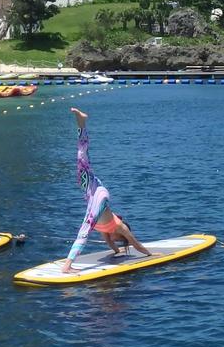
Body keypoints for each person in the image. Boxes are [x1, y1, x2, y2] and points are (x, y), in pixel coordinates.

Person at [60, 107, 154, 273]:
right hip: (100, 196)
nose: (114, 240)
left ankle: (81, 121)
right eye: (118, 241)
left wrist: (117, 251)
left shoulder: (106, 232)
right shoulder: (120, 227)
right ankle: (67, 266)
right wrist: (151, 255)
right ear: (121, 235)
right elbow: (136, 244)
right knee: (84, 231)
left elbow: (110, 244)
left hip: (90, 189)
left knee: (82, 156)